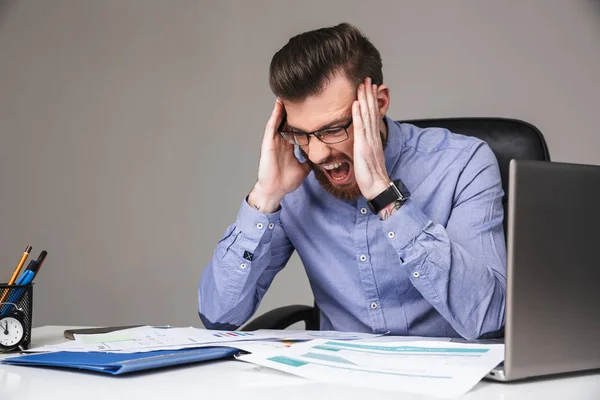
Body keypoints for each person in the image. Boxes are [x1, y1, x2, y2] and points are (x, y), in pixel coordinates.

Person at [198, 23, 506, 339]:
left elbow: (489, 318)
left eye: (333, 129)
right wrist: (264, 197)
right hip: (339, 380)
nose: (316, 154)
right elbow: (218, 316)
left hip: (450, 378)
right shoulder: (293, 181)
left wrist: (386, 198)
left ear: (379, 104)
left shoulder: (462, 162)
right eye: (301, 134)